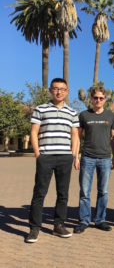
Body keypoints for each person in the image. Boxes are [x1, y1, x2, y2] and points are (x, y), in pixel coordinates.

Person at [25, 78, 79, 243]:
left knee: (63, 194)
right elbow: (34, 132)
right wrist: (37, 154)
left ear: (67, 91)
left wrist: (74, 155)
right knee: (39, 193)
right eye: (55, 89)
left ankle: (58, 225)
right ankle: (34, 228)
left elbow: (75, 135)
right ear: (50, 90)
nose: (59, 92)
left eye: (62, 89)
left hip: (65, 158)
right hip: (46, 157)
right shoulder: (40, 109)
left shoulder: (72, 112)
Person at [73, 86, 114, 234]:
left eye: (101, 98)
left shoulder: (111, 116)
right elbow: (78, 137)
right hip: (87, 157)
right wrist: (76, 156)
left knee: (103, 191)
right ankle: (84, 220)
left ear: (105, 100)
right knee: (85, 191)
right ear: (91, 99)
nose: (98, 100)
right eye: (95, 98)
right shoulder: (84, 115)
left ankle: (100, 220)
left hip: (105, 158)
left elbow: (112, 139)